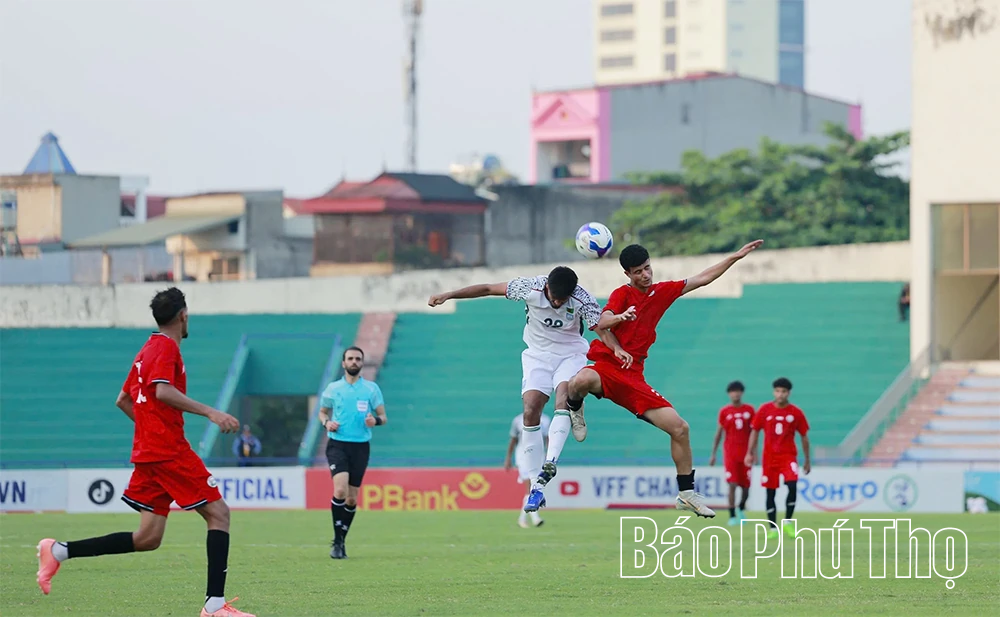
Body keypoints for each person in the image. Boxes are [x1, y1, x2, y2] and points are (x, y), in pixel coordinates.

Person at [35, 287, 254, 617]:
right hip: (167, 451)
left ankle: (58, 551)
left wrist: (150, 429)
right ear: (183, 315)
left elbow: (123, 400)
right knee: (219, 514)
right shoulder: (166, 348)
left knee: (148, 537)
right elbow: (163, 392)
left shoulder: (146, 350)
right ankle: (215, 606)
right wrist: (211, 412)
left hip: (150, 451)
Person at [566, 240, 764, 518]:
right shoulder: (622, 294)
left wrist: (735, 257)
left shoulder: (663, 291)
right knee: (579, 381)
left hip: (633, 378)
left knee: (680, 428)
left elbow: (702, 279)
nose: (645, 275)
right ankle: (575, 409)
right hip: (607, 368)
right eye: (638, 272)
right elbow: (603, 320)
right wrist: (620, 324)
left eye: (647, 268)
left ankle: (686, 494)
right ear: (628, 275)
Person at [428, 266, 628, 512]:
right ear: (546, 288)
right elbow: (489, 288)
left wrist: (616, 348)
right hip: (537, 356)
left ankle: (550, 461)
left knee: (562, 398)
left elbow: (600, 327)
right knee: (531, 409)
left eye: (561, 299)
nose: (556, 302)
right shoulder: (528, 287)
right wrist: (449, 294)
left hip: (570, 354)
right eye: (554, 297)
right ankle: (536, 487)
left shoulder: (581, 298)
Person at [318, 346, 387, 559]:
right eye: (350, 358)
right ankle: (337, 542)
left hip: (360, 446)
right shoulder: (333, 388)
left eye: (358, 359)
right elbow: (322, 412)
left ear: (362, 363)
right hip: (338, 444)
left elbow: (383, 417)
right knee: (340, 491)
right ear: (343, 363)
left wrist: (374, 420)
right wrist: (327, 423)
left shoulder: (371, 389)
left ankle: (342, 540)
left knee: (352, 498)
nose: (354, 362)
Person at [744, 377, 811, 538]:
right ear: (774, 392)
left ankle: (787, 522)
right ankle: (773, 529)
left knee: (793, 485)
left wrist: (807, 459)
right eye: (778, 391)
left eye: (784, 391)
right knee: (770, 492)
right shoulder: (765, 409)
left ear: (789, 393)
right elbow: (755, 431)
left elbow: (804, 436)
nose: (780, 395)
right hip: (769, 458)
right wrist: (749, 452)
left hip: (788, 457)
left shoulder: (796, 412)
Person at [708, 381, 756, 526]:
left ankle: (741, 508)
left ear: (742, 393)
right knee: (732, 484)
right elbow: (718, 434)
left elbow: (754, 432)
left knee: (746, 487)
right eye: (733, 391)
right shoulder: (725, 411)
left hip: (746, 454)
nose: (735, 394)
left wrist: (754, 452)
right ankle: (732, 516)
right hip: (730, 454)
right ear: (729, 394)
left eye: (738, 391)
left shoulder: (749, 410)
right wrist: (713, 454)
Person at [504, 411, 552, 527]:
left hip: (538, 456)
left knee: (535, 486)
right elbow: (513, 440)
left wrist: (549, 457)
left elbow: (548, 439)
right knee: (530, 486)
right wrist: (508, 458)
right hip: (523, 456)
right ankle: (535, 518)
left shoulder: (545, 420)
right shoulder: (518, 420)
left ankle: (522, 519)